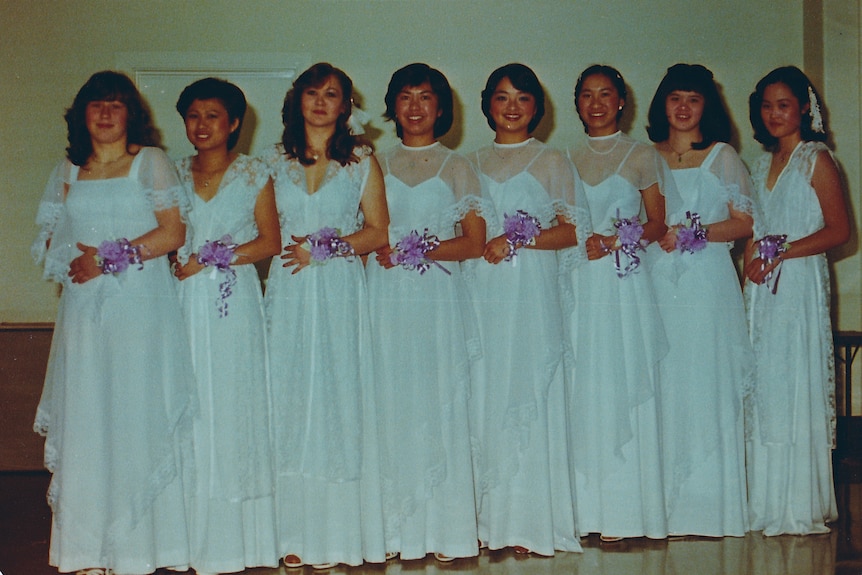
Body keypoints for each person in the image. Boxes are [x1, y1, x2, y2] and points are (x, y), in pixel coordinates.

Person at [31, 70, 195, 575]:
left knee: (133, 413)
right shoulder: (68, 169)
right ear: (81, 114)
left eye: (116, 105)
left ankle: (143, 548)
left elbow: (172, 233)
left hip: (140, 307)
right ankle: (85, 551)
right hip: (84, 312)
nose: (105, 113)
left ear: (131, 115)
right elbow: (51, 240)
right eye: (96, 105)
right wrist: (74, 263)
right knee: (88, 417)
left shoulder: (150, 162)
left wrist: (109, 258)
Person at [262, 62, 389, 569]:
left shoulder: (361, 159)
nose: (320, 101)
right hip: (288, 293)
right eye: (311, 92)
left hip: (338, 291)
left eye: (331, 93)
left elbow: (378, 231)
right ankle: (290, 533)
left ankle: (339, 534)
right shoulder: (270, 161)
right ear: (297, 101)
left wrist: (329, 248)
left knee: (339, 400)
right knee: (289, 400)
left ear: (346, 105)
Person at [367, 63, 484, 562]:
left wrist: (421, 250)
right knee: (390, 400)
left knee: (436, 400)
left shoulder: (457, 165)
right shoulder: (372, 162)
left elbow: (475, 242)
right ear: (393, 106)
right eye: (405, 97)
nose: (415, 107)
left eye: (426, 97)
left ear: (441, 107)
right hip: (385, 297)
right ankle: (391, 531)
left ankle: (445, 529)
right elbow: (363, 231)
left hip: (436, 299)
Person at [465, 63, 582, 556]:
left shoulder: (552, 160)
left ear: (537, 106)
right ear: (488, 104)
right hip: (481, 291)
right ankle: (484, 519)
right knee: (485, 389)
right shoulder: (467, 162)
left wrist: (520, 238)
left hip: (531, 288)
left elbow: (573, 229)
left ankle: (529, 522)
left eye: (523, 98)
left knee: (529, 389)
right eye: (502, 97)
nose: (512, 107)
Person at [172, 78, 281, 574]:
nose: (202, 125)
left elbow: (269, 242)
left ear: (234, 122)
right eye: (193, 115)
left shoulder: (254, 174)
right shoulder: (170, 174)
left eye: (212, 115)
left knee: (231, 405)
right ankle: (182, 538)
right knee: (186, 404)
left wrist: (214, 257)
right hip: (178, 304)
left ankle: (236, 542)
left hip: (232, 301)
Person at [565, 64, 673, 542]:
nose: (596, 103)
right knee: (582, 387)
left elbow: (657, 223)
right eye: (587, 95)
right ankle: (585, 512)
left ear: (622, 101)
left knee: (621, 381)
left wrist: (613, 241)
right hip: (576, 285)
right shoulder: (562, 156)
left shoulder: (641, 155)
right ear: (577, 103)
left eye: (605, 94)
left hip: (621, 282)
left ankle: (627, 513)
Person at [646, 63, 753, 536]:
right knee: (664, 381)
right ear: (662, 105)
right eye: (675, 98)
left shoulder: (722, 155)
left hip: (706, 283)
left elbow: (746, 222)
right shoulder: (645, 157)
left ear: (706, 105)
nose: (684, 108)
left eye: (693, 98)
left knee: (703, 380)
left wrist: (696, 233)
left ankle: (710, 507)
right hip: (657, 284)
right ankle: (661, 507)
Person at [744, 66, 849, 535]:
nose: (773, 114)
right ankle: (761, 497)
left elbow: (840, 230)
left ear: (803, 108)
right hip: (761, 292)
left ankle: (795, 500)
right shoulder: (757, 162)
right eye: (766, 105)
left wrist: (783, 251)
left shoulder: (816, 160)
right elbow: (753, 227)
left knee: (791, 382)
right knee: (763, 385)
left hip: (798, 285)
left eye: (783, 105)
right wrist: (751, 258)